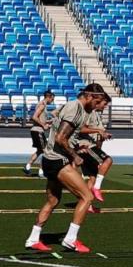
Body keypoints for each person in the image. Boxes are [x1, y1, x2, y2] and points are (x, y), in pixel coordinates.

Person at [24, 84, 109, 254]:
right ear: (90, 96)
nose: (98, 106)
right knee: (87, 197)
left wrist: (77, 147)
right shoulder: (75, 108)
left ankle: (33, 239)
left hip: (50, 159)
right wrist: (74, 155)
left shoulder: (77, 108)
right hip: (58, 161)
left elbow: (68, 132)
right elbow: (61, 138)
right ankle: (70, 239)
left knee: (53, 201)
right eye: (98, 102)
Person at [76, 95, 113, 204]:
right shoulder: (88, 112)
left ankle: (86, 203)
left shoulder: (95, 114)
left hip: (90, 145)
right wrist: (98, 131)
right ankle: (97, 187)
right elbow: (81, 129)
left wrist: (103, 134)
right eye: (104, 104)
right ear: (98, 101)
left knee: (92, 176)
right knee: (108, 160)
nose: (105, 107)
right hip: (86, 146)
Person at [24, 90, 55, 177]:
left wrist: (47, 123)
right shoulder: (42, 105)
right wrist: (43, 125)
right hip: (38, 130)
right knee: (46, 151)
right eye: (52, 99)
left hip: (37, 130)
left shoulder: (42, 105)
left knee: (40, 150)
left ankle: (28, 166)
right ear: (48, 97)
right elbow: (34, 117)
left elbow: (40, 118)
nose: (52, 101)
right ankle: (41, 171)